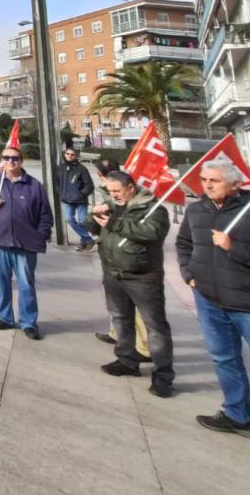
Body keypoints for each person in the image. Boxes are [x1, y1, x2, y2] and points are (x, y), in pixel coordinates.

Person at [177, 158, 250, 472]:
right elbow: (184, 243)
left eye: (214, 180)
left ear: (235, 185)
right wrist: (189, 275)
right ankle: (239, 415)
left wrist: (234, 247)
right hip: (210, 302)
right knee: (225, 360)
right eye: (204, 179)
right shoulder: (196, 210)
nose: (207, 185)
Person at [87, 170, 175, 398]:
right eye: (110, 191)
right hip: (113, 273)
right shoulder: (112, 206)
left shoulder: (153, 209)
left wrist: (114, 223)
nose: (113, 195)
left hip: (143, 276)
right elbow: (94, 228)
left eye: (117, 191)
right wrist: (93, 215)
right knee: (120, 318)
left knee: (155, 326)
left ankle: (163, 376)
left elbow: (151, 233)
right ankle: (126, 360)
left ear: (131, 188)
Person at [0, 146, 53, 339]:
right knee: (1, 282)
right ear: (1, 160)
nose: (11, 161)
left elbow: (45, 214)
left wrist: (40, 234)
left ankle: (28, 322)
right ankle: (4, 317)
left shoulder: (34, 185)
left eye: (15, 158)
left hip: (24, 244)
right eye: (6, 157)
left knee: (26, 284)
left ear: (21, 160)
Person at [57, 146, 95, 250]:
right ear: (64, 155)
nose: (69, 156)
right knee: (69, 219)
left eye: (72, 154)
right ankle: (87, 239)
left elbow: (89, 185)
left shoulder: (82, 168)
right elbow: (57, 183)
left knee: (83, 221)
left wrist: (81, 194)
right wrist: (61, 193)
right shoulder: (61, 168)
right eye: (67, 154)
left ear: (76, 156)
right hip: (67, 200)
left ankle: (84, 241)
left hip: (80, 200)